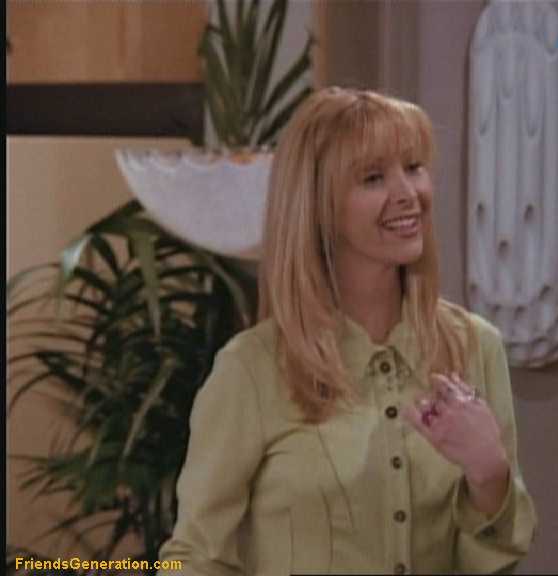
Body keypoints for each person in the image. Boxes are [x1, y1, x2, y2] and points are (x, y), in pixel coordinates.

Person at [157, 86, 537, 575]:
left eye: (414, 168)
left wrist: (490, 475)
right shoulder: (251, 368)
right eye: (373, 178)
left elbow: (491, 563)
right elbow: (194, 557)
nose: (408, 194)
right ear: (319, 205)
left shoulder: (475, 347)